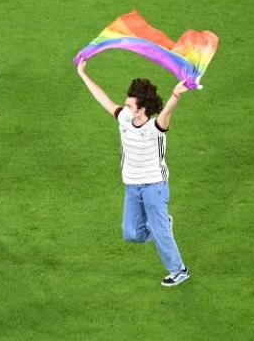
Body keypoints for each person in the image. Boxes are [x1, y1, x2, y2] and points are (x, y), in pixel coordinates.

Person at [77, 62, 191, 286]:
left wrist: (176, 94)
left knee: (159, 231)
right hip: (132, 185)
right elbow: (104, 100)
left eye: (130, 106)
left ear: (142, 109)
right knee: (132, 234)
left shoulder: (156, 127)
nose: (125, 108)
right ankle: (162, 226)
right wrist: (83, 73)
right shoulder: (124, 118)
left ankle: (179, 270)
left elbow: (167, 111)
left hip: (154, 186)